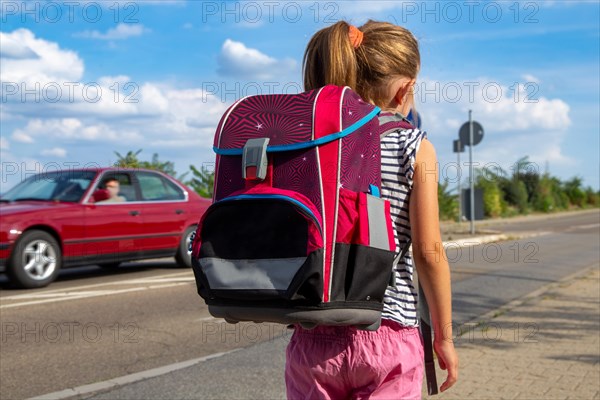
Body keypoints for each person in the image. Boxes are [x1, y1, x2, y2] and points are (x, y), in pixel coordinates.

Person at [285, 20, 459, 399]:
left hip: (312, 339)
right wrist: (444, 335)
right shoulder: (413, 146)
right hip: (386, 337)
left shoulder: (311, 145)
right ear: (405, 90)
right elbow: (429, 253)